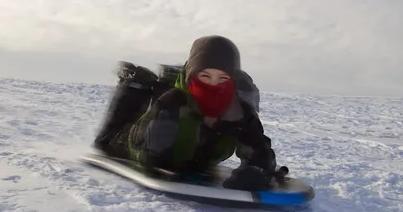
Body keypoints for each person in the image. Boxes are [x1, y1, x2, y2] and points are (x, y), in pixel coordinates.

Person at [94, 35, 279, 191]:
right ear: (192, 75)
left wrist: (257, 169)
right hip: (138, 142)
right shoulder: (171, 103)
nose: (214, 84)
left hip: (195, 158)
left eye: (223, 78)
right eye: (205, 76)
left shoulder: (239, 111)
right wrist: (157, 157)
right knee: (107, 142)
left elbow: (260, 148)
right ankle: (135, 84)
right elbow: (147, 156)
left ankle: (168, 79)